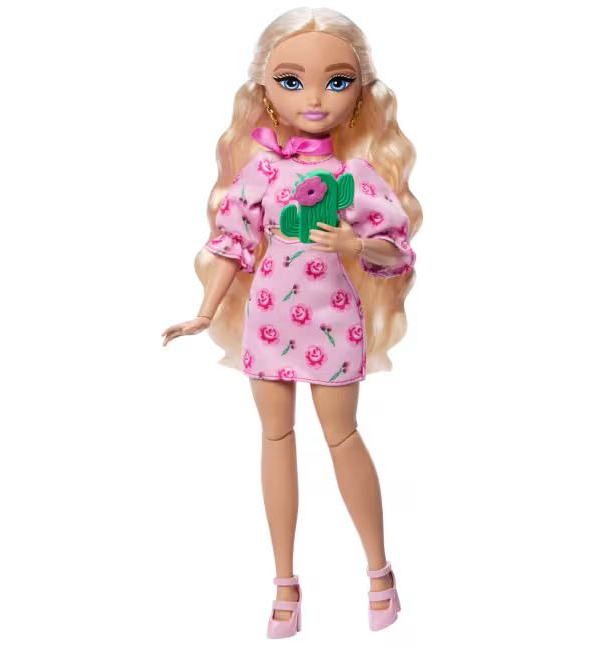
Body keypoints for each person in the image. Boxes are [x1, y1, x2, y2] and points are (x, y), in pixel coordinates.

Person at [161, 7, 422, 638]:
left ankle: (379, 572)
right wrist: (203, 312)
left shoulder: (353, 177)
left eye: (337, 81)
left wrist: (356, 245)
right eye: (291, 81)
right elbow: (232, 244)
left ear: (359, 97)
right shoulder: (260, 172)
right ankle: (284, 582)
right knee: (275, 438)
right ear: (265, 92)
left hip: (333, 319)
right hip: (271, 319)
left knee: (342, 436)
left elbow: (399, 252)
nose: (314, 98)